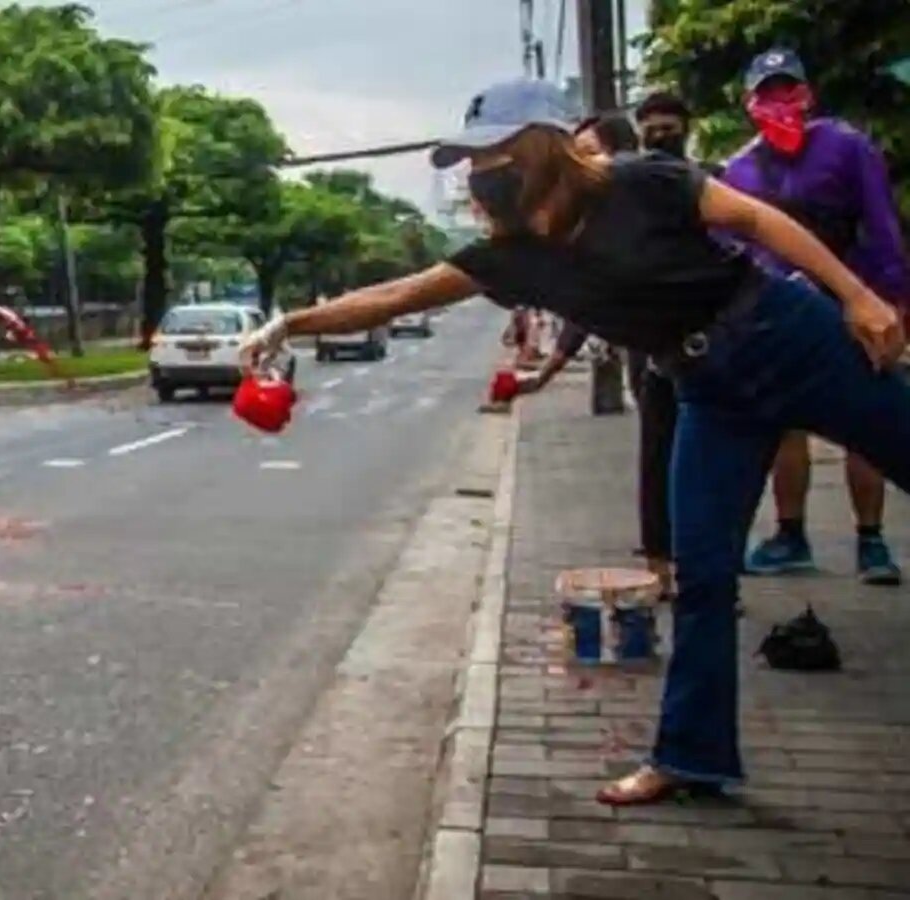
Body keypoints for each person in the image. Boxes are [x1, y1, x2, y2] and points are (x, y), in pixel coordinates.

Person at [240, 78, 909, 805]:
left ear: (534, 150)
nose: (475, 175)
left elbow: (757, 221)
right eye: (470, 162)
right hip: (707, 391)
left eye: (488, 156)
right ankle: (691, 758)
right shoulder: (512, 255)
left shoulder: (643, 180)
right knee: (701, 575)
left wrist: (858, 296)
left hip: (787, 336)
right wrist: (289, 326)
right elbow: (394, 296)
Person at [724, 49, 909, 585]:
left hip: (856, 307)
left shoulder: (845, 147)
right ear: (749, 103)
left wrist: (893, 299)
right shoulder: (740, 169)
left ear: (808, 95)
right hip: (781, 316)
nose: (781, 103)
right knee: (786, 427)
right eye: (769, 93)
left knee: (866, 421)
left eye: (789, 90)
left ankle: (872, 541)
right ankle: (790, 534)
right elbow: (736, 252)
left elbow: (881, 224)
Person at [520, 112, 681, 599]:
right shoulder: (590, 226)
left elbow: (751, 222)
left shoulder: (673, 193)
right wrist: (545, 372)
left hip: (714, 358)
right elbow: (581, 306)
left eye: (587, 154)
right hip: (655, 364)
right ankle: (665, 573)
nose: (580, 167)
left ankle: (706, 573)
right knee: (657, 463)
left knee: (697, 473)